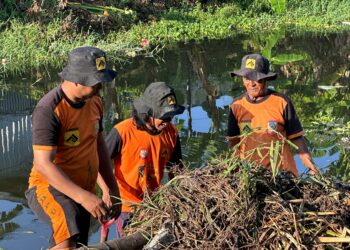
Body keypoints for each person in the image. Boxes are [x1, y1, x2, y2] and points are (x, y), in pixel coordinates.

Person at [25, 46, 121, 249]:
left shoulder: (95, 102)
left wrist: (110, 188)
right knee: (68, 241)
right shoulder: (49, 109)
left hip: (83, 188)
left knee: (79, 244)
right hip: (50, 187)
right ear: (77, 79)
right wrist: (82, 196)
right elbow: (43, 164)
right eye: (96, 82)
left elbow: (99, 145)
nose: (100, 88)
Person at [97, 81, 184, 240]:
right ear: (148, 114)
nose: (168, 121)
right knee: (128, 242)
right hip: (125, 203)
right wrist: (106, 191)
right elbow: (96, 163)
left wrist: (180, 197)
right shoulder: (123, 132)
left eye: (171, 116)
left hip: (153, 202)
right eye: (163, 116)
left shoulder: (172, 133)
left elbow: (177, 170)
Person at [227, 53, 318, 176]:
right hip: (250, 175)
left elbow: (296, 138)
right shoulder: (236, 105)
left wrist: (311, 167)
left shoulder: (281, 102)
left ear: (266, 79)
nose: (251, 83)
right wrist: (232, 169)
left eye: (256, 78)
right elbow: (233, 142)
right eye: (247, 78)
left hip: (282, 174)